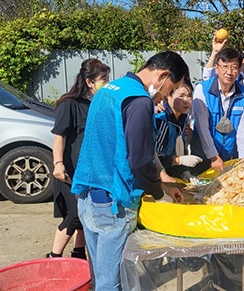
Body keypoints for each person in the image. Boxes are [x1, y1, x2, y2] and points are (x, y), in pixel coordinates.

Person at [71, 51, 189, 290]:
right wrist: (158, 193)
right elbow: (139, 160)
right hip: (115, 205)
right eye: (171, 88)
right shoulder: (139, 100)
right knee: (112, 282)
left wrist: (163, 179)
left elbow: (120, 143)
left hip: (89, 199)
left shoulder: (109, 89)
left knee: (101, 277)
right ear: (163, 76)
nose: (165, 96)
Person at [48, 59, 110, 259]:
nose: (107, 83)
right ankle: (53, 256)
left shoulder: (97, 103)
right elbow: (60, 136)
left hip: (89, 170)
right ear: (90, 82)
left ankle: (78, 253)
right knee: (74, 215)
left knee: (86, 213)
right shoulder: (69, 104)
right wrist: (58, 164)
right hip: (69, 171)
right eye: (103, 79)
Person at [191, 48, 244, 173]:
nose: (229, 72)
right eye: (224, 67)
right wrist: (213, 156)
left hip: (231, 157)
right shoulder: (202, 90)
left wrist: (243, 160)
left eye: (234, 67)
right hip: (203, 158)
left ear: (240, 69)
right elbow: (202, 128)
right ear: (216, 68)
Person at [154, 79, 202, 182]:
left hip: (173, 176)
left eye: (189, 96)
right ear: (168, 96)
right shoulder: (162, 121)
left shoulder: (183, 119)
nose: (187, 100)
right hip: (158, 180)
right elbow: (154, 158)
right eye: (181, 96)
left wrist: (185, 171)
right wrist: (179, 160)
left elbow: (180, 150)